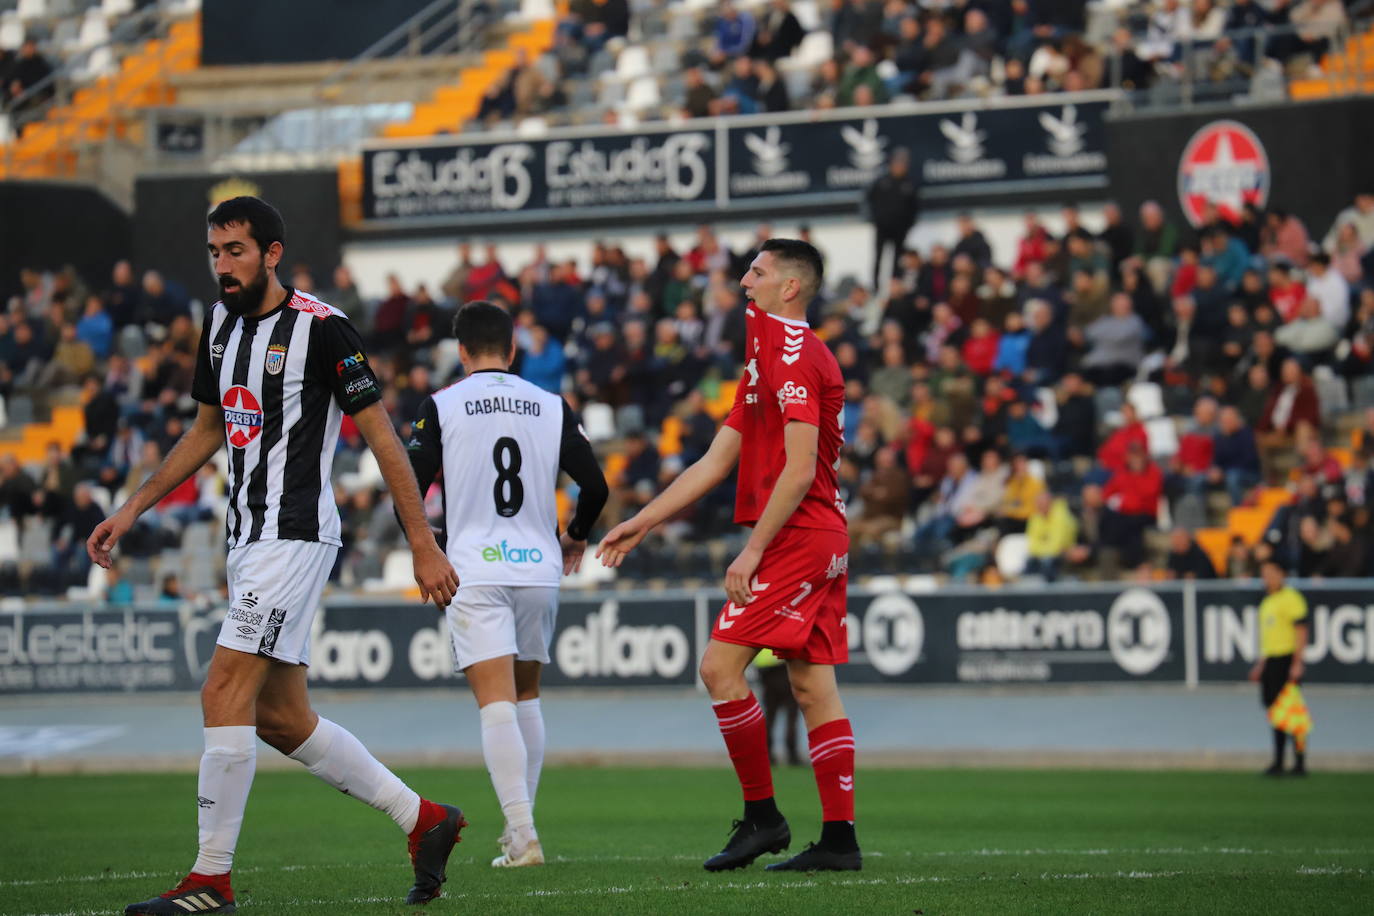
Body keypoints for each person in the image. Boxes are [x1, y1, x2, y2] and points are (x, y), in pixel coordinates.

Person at [87, 197, 465, 914]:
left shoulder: (324, 330)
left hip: (293, 536)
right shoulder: (218, 324)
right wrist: (132, 506)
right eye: (214, 251)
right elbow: (206, 431)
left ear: (272, 253)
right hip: (247, 538)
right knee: (280, 718)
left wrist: (422, 542)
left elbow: (384, 438)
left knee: (222, 690)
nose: (222, 265)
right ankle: (426, 821)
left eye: (235, 250)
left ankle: (210, 882)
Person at [598, 239, 860, 872]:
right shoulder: (764, 356)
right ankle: (839, 841)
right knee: (811, 685)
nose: (744, 280)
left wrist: (752, 550)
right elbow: (717, 459)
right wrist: (642, 519)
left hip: (799, 533)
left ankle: (764, 818)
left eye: (758, 271)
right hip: (818, 532)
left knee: (719, 668)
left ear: (790, 287)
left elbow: (797, 472)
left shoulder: (795, 355)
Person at [405, 301, 608, 869]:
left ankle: (523, 835)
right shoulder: (550, 404)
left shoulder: (442, 405)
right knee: (525, 698)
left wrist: (425, 550)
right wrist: (575, 535)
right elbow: (594, 485)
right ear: (513, 350)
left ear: (462, 352)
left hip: (474, 567)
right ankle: (523, 831)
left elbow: (410, 488)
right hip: (538, 567)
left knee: (494, 704)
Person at [1248, 559, 1310, 777]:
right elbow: (1268, 638)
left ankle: (1300, 762)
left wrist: (1297, 663)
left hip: (1287, 659)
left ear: (1281, 574)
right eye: (1263, 574)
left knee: (1293, 714)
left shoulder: (1291, 598)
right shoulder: (1268, 601)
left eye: (1270, 573)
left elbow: (1301, 631)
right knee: (1276, 713)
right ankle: (1279, 761)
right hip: (1272, 661)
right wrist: (1262, 664)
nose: (1267, 578)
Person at [865, 148, 920, 291]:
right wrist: (875, 219)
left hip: (900, 230)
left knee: (898, 260)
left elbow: (915, 207)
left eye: (903, 164)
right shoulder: (882, 182)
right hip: (882, 227)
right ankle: (875, 286)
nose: (900, 167)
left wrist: (909, 224)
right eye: (897, 164)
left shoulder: (909, 184)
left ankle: (894, 286)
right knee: (878, 257)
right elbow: (869, 200)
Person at [754, 648, 802, 766]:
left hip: (768, 676)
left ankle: (768, 755)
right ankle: (792, 755)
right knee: (791, 717)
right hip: (787, 672)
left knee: (770, 718)